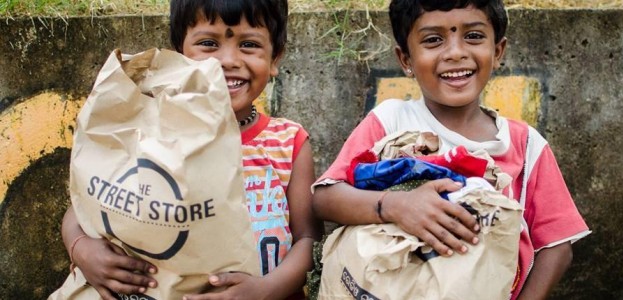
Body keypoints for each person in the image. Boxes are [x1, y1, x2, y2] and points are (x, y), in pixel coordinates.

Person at [312, 0, 590, 299]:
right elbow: (326, 198)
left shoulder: (526, 145)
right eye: (433, 40)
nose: (456, 53)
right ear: (405, 59)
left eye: (473, 36)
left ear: (497, 51)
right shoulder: (391, 121)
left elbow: (557, 248)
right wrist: (395, 205)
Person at [59, 0, 323, 299]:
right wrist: (81, 248)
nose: (227, 60)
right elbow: (84, 206)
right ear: (179, 53)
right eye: (208, 43)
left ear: (275, 57)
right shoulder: (150, 130)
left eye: (248, 45)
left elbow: (309, 238)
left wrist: (265, 290)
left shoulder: (288, 143)